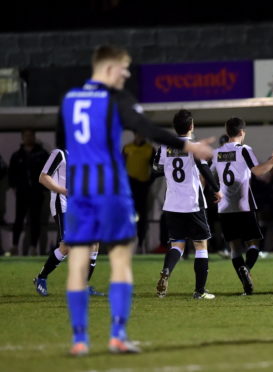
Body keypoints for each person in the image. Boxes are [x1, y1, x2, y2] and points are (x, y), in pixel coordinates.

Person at [57, 45, 214, 356]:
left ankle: (79, 339)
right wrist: (190, 148)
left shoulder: (69, 100)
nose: (127, 75)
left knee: (77, 261)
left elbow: (64, 145)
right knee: (119, 261)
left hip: (82, 191)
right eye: (124, 69)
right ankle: (117, 336)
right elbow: (148, 129)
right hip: (111, 189)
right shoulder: (118, 99)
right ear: (110, 68)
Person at [154, 109, 222, 300]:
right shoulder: (194, 146)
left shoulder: (164, 147)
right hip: (192, 202)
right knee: (201, 245)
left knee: (177, 244)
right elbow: (204, 169)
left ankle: (166, 270)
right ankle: (200, 291)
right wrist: (217, 189)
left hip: (172, 203)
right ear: (191, 127)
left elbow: (155, 169)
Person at [211, 117, 273, 295]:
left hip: (224, 207)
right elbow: (258, 171)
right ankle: (246, 269)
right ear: (242, 132)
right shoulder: (244, 150)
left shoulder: (217, 152)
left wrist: (215, 190)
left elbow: (208, 176)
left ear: (227, 132)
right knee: (253, 243)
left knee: (235, 248)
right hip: (244, 205)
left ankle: (244, 280)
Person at [32, 149, 104, 297]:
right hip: (62, 204)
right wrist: (64, 191)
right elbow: (43, 177)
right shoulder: (60, 154)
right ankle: (41, 277)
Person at [8, 129, 49, 255]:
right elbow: (12, 174)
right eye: (26, 136)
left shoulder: (42, 154)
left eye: (31, 135)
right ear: (22, 138)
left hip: (37, 193)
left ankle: (33, 247)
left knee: (35, 220)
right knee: (19, 219)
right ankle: (14, 246)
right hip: (22, 193)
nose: (28, 138)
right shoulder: (17, 155)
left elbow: (49, 172)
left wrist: (44, 187)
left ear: (34, 137)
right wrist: (15, 186)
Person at [122, 131, 156, 251]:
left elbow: (155, 168)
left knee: (142, 215)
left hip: (142, 186)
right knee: (129, 214)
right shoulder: (127, 148)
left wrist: (149, 182)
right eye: (137, 133)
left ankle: (141, 243)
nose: (139, 136)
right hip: (130, 186)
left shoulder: (149, 149)